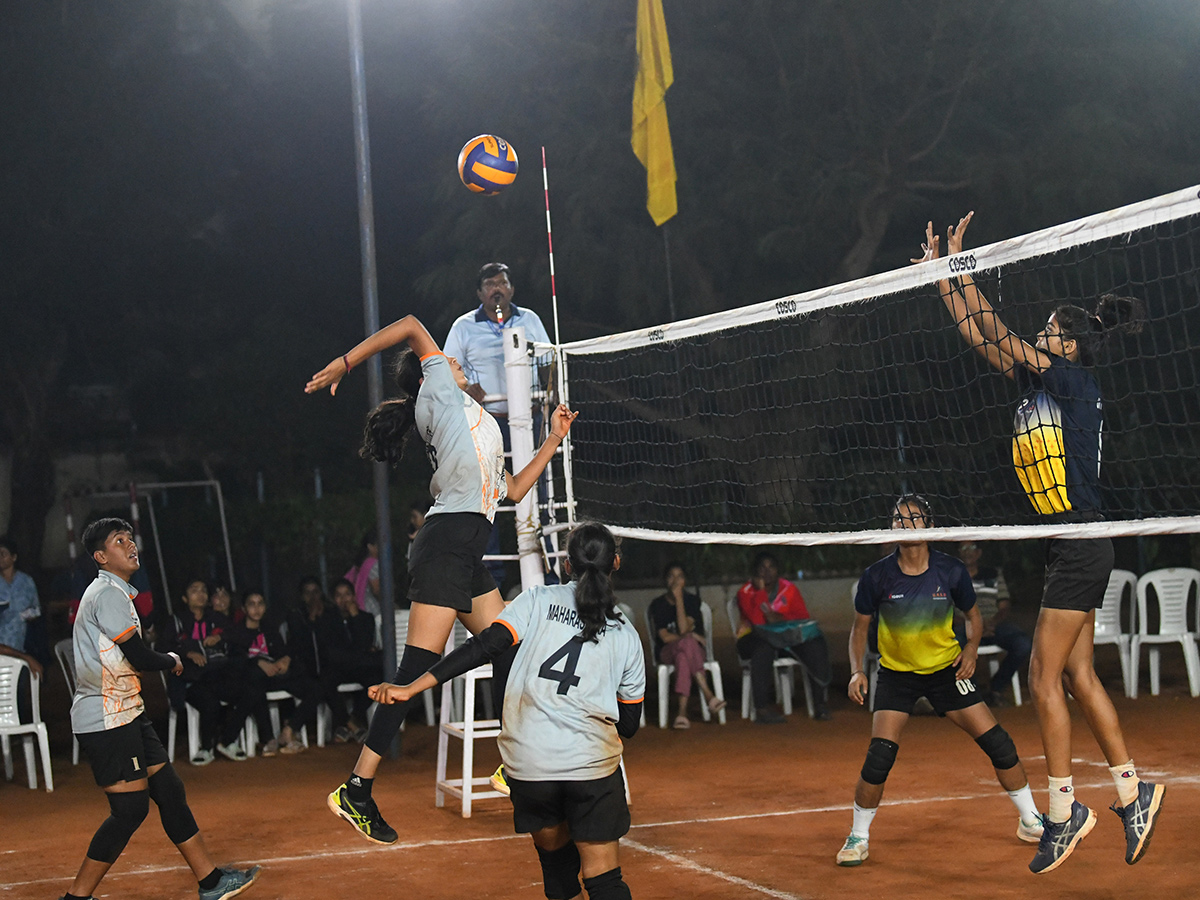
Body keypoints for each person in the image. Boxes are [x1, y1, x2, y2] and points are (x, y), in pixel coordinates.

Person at [925, 213, 1163, 873]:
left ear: (1071, 347)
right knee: (1080, 675)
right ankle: (1132, 792)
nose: (1040, 337)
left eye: (1050, 333)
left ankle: (1064, 814)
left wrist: (963, 267)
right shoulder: (1041, 382)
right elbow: (984, 337)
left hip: (1083, 543)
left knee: (1042, 677)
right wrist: (945, 276)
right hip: (1071, 545)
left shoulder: (1073, 382)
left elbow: (999, 329)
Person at [306, 311, 577, 844]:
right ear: (431, 373)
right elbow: (408, 324)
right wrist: (345, 362)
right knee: (412, 673)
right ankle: (357, 789)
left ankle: (511, 763)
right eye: (448, 359)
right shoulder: (438, 390)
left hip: (464, 548)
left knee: (512, 650)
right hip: (446, 544)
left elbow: (514, 492)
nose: (454, 361)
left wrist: (552, 439)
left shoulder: (473, 419)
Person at [371, 522, 643, 900]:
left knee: (559, 871)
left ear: (567, 565)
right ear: (616, 562)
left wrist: (413, 686)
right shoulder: (626, 634)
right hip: (590, 767)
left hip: (528, 766)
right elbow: (629, 725)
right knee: (605, 882)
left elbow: (482, 647)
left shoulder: (536, 601)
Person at [838, 494, 1044, 868]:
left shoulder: (950, 570)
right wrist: (856, 670)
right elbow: (860, 627)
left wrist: (972, 649)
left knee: (1000, 745)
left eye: (914, 518)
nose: (906, 524)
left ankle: (1030, 820)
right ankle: (858, 837)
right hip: (897, 677)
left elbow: (973, 616)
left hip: (947, 672)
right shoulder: (877, 575)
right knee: (879, 758)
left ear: (930, 526)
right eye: (898, 519)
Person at [61, 517, 258, 900]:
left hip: (126, 710)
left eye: (131, 538)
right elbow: (136, 654)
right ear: (101, 556)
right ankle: (75, 898)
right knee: (130, 811)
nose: (131, 545)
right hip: (106, 717)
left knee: (169, 789)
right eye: (120, 541)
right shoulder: (105, 594)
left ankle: (211, 882)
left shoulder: (116, 591)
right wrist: (172, 658)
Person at [444, 262, 555, 591]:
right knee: (489, 500)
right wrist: (466, 388)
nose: (496, 288)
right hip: (489, 424)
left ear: (511, 289)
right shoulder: (464, 326)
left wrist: (550, 402)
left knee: (541, 497)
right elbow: (445, 371)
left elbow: (549, 363)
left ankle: (547, 573)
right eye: (489, 284)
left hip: (531, 420)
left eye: (502, 283)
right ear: (480, 293)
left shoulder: (529, 319)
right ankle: (493, 576)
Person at [159, 578, 262, 766]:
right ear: (184, 598)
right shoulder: (176, 621)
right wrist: (187, 653)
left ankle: (227, 741)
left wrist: (220, 636)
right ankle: (206, 748)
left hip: (217, 676)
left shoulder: (216, 618)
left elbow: (241, 635)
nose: (201, 594)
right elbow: (162, 648)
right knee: (210, 702)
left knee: (250, 693)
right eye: (194, 590)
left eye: (204, 590)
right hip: (191, 680)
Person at [733, 551, 832, 723]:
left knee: (814, 644)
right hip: (753, 638)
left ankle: (820, 705)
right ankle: (762, 709)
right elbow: (757, 621)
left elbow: (802, 617)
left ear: (778, 570)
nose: (767, 571)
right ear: (755, 571)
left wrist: (779, 618)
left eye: (771, 567)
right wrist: (761, 592)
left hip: (785, 638)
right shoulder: (745, 592)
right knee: (763, 649)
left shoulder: (789, 589)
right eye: (762, 568)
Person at [226, 589, 317, 756]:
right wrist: (258, 663)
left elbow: (282, 651)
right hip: (254, 679)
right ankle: (268, 738)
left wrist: (286, 659)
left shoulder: (269, 628)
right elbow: (236, 662)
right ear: (244, 609)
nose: (256, 609)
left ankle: (289, 730)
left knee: (314, 688)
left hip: (276, 676)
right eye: (251, 605)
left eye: (260, 604)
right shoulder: (237, 631)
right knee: (255, 683)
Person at [647, 562, 725, 729]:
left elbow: (682, 628)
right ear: (665, 580)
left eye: (680, 576)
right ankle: (708, 693)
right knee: (688, 642)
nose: (675, 580)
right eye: (671, 576)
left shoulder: (692, 601)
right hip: (667, 652)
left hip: (691, 652)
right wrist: (690, 635)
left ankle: (681, 713)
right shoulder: (658, 604)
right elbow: (666, 637)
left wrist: (679, 600)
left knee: (683, 656)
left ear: (685, 580)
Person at [956, 542, 1032, 706]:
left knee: (1023, 644)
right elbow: (949, 611)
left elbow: (1004, 606)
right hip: (965, 626)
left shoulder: (993, 574)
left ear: (979, 553)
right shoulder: (953, 576)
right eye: (963, 549)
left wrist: (991, 623)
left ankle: (995, 688)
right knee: (953, 646)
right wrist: (974, 626)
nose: (967, 552)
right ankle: (973, 694)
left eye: (971, 548)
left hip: (993, 625)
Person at [316, 578, 382, 739]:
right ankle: (350, 724)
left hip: (359, 666)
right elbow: (332, 651)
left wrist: (354, 617)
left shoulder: (365, 618)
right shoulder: (327, 619)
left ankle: (351, 720)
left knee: (377, 678)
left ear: (353, 596)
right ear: (333, 599)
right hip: (339, 667)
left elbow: (364, 643)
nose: (344, 599)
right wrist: (356, 654)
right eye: (339, 595)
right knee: (325, 681)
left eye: (347, 594)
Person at [0, 536, 43, 723]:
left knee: (19, 686)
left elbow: (37, 608)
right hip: (2, 641)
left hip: (21, 640)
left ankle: (19, 725)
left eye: (3, 554)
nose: (0, 559)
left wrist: (24, 614)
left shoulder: (25, 581)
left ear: (13, 557)